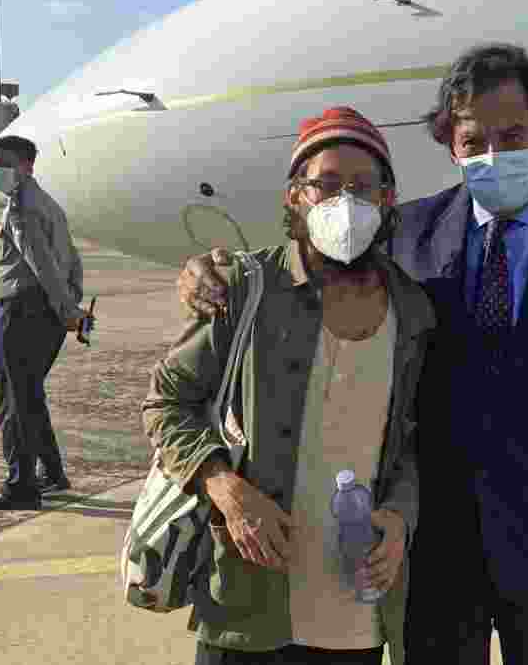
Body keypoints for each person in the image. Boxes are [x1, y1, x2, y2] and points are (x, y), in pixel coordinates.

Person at [177, 44, 528, 663]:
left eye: (513, 135)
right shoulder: (406, 233)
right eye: (474, 141)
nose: (494, 154)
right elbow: (308, 264)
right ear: (451, 146)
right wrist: (209, 271)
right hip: (434, 553)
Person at [142, 107, 432, 665]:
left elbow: (413, 443)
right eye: (324, 184)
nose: (343, 201)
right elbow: (166, 403)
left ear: (387, 200)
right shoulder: (245, 291)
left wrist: (398, 519)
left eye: (362, 186)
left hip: (355, 610)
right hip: (250, 605)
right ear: (294, 196)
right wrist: (225, 488)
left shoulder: (413, 314)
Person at [0, 135, 87, 511]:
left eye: (3, 163)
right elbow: (72, 262)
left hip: (21, 313)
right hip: (43, 314)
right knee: (29, 397)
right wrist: (70, 306)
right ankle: (52, 474)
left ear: (26, 166)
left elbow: (43, 265)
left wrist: (69, 312)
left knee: (13, 402)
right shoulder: (49, 204)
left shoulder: (22, 208)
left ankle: (21, 487)